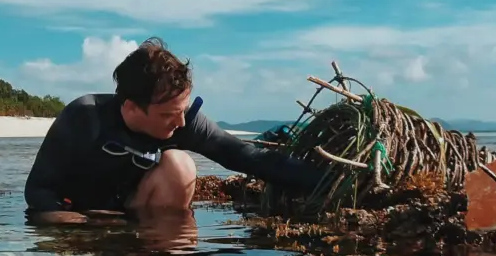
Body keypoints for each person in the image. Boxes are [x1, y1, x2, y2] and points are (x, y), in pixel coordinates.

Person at [24, 37, 324, 224]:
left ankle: (163, 254)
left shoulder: (184, 119)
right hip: (85, 220)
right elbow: (37, 190)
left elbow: (249, 157)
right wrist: (76, 221)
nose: (180, 123)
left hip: (139, 215)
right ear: (130, 107)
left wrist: (325, 182)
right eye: (169, 114)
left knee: (180, 164)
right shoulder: (84, 118)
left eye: (184, 110)